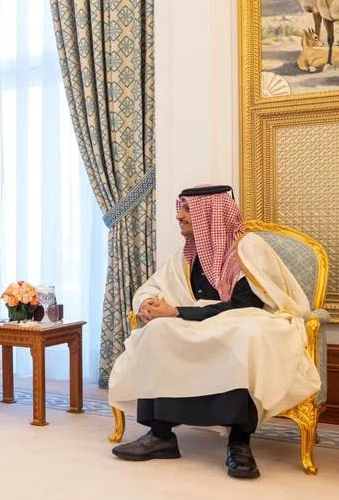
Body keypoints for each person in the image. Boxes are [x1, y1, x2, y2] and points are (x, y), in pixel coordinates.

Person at [108, 184, 321, 479]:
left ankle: (239, 443)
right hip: (205, 322)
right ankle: (160, 435)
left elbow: (245, 305)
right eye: (179, 208)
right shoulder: (190, 253)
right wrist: (148, 304)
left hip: (245, 321)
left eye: (186, 210)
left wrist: (178, 312)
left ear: (209, 214)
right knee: (158, 332)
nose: (179, 216)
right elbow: (154, 285)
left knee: (243, 335)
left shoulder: (248, 248)